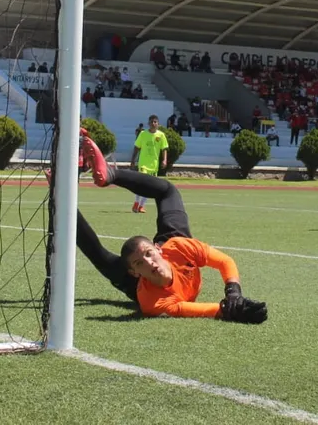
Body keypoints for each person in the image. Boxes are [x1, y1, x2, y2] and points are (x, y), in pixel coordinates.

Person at [74, 133, 267, 323]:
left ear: (158, 249)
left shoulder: (179, 247)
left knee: (168, 191)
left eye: (149, 254)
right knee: (99, 256)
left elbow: (224, 261)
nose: (149, 263)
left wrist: (233, 292)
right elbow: (201, 309)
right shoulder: (153, 301)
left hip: (173, 248)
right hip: (134, 282)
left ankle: (111, 174)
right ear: (135, 271)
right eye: (140, 263)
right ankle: (64, 202)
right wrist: (233, 310)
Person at [129, 115, 169, 214]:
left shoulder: (161, 135)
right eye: (151, 122)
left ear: (158, 124)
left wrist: (164, 160)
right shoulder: (143, 134)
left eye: (155, 122)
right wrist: (133, 160)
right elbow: (137, 147)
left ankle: (141, 206)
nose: (153, 123)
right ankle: (136, 203)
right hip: (143, 164)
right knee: (142, 184)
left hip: (154, 165)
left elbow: (164, 148)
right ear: (148, 123)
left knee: (150, 186)